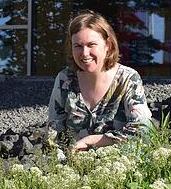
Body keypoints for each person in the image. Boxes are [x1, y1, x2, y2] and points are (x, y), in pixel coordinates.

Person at [48, 10, 153, 152]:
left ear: (108, 45)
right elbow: (53, 134)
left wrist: (92, 141)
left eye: (91, 45)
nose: (85, 53)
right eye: (77, 46)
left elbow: (143, 130)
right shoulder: (64, 80)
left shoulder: (127, 79)